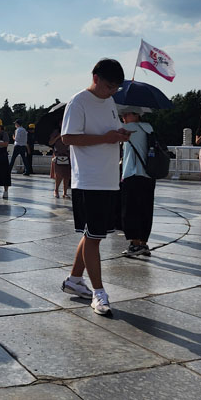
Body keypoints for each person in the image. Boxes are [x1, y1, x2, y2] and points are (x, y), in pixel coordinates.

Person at [60, 59, 130, 317]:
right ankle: (99, 293)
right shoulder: (78, 102)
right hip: (89, 180)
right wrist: (105, 138)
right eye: (109, 86)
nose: (112, 92)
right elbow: (67, 138)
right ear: (96, 78)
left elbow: (106, 133)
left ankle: (75, 280)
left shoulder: (110, 102)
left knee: (94, 234)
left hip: (108, 178)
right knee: (94, 236)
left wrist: (118, 133)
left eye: (116, 88)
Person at [119, 105, 156, 258]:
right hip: (149, 175)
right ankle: (143, 243)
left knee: (131, 211)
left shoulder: (130, 128)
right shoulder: (149, 128)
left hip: (133, 175)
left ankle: (134, 244)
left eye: (126, 114)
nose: (123, 117)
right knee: (146, 210)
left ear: (135, 115)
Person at [49, 127, 70, 198]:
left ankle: (65, 192)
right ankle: (56, 190)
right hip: (58, 155)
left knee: (67, 175)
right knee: (58, 174)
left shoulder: (69, 131)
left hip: (67, 154)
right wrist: (58, 137)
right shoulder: (56, 132)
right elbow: (50, 142)